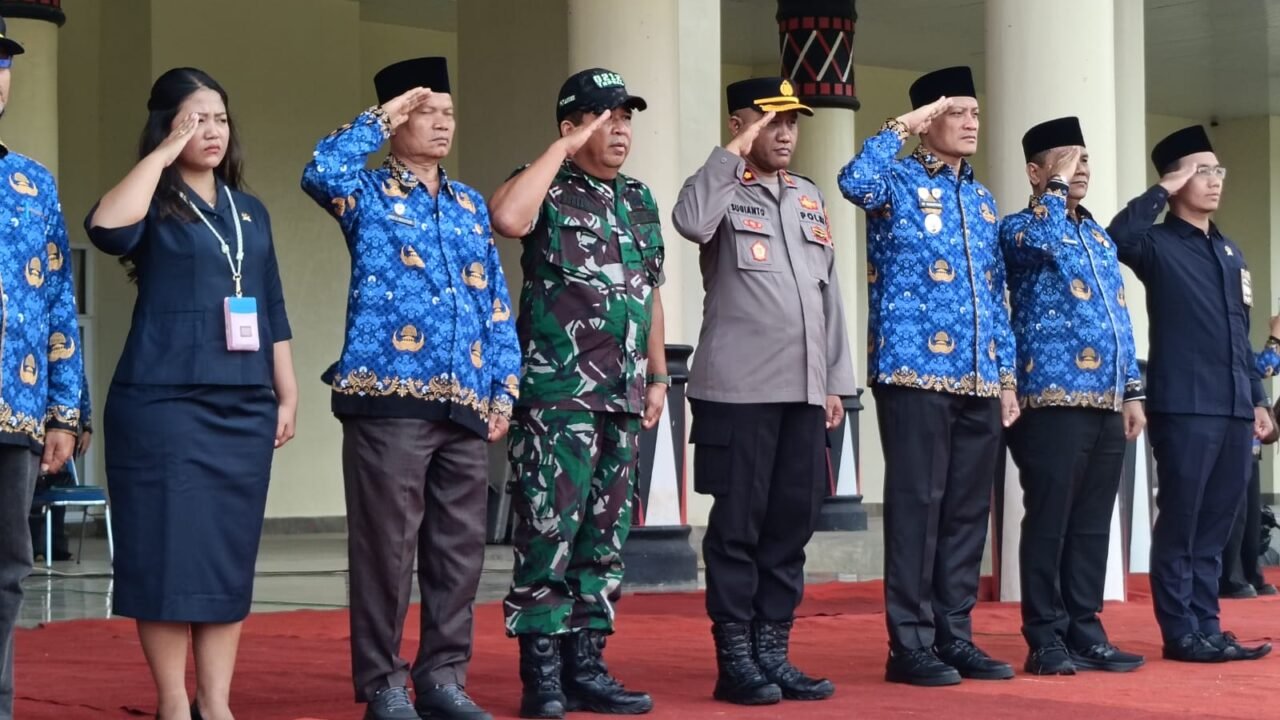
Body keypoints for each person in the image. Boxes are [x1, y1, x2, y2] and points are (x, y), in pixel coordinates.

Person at [301, 57, 518, 720]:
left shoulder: (469, 204)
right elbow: (320, 171)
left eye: (449, 113)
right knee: (386, 553)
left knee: (459, 554)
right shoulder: (365, 193)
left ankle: (444, 678)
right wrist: (380, 118)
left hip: (466, 402)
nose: (443, 124)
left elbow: (495, 303)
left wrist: (504, 386)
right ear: (397, 120)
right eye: (427, 112)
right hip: (388, 401)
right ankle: (384, 686)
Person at [86, 67, 296, 720]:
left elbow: (271, 304)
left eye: (220, 119)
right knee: (166, 556)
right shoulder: (153, 197)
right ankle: (174, 704)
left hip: (244, 403)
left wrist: (286, 390)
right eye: (195, 119)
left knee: (225, 559)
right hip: (163, 402)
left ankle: (217, 704)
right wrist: (163, 153)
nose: (212, 130)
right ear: (167, 125)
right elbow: (106, 228)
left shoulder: (250, 210)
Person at [670, 77, 855, 706]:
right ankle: (736, 660)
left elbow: (829, 296)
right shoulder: (719, 188)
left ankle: (773, 653)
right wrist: (731, 154)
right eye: (770, 121)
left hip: (804, 392)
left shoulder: (807, 195)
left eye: (791, 122)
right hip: (738, 392)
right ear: (740, 125)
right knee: (738, 529)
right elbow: (690, 223)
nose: (783, 133)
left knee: (789, 527)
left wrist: (835, 382)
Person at [488, 67, 664, 719]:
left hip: (624, 395)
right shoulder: (546, 184)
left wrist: (658, 375)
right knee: (547, 532)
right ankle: (542, 678)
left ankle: (585, 666)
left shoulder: (638, 199)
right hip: (558, 396)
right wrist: (560, 149)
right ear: (571, 126)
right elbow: (507, 218)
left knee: (603, 539)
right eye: (604, 118)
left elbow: (650, 292)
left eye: (626, 118)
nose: (620, 130)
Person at [837, 65, 1019, 687]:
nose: (971, 123)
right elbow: (853, 180)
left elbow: (995, 295)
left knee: (967, 512)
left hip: (978, 376)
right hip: (912, 369)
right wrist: (899, 126)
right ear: (927, 122)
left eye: (975, 113)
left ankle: (954, 635)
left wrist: (1007, 377)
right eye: (957, 112)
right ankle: (909, 644)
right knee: (918, 506)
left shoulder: (983, 199)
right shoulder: (895, 179)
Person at [1108, 124, 1273, 663]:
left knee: (1217, 524)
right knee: (1183, 519)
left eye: (1217, 170)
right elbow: (1117, 237)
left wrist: (1257, 399)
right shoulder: (1156, 244)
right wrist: (1161, 190)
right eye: (1202, 172)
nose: (1215, 180)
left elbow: (1239, 333)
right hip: (1185, 404)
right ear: (1176, 179)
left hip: (1232, 406)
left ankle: (1208, 625)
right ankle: (1181, 632)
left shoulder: (1230, 251)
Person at [999, 117, 1147, 676]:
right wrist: (1056, 190)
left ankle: (1085, 628)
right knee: (1050, 519)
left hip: (1106, 400)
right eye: (1064, 159)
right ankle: (1045, 637)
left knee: (1091, 523)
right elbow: (1039, 240)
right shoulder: (1020, 228)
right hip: (1050, 400)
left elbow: (1120, 317)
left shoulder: (1099, 235)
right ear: (1034, 172)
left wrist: (1131, 390)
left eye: (1083, 158)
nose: (1078, 168)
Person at [0, 17, 83, 720]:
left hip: (17, 408)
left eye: (1, 64)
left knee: (6, 569)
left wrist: (63, 411)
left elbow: (58, 299)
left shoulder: (32, 183)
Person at [1219, 327, 1280, 599]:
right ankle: (1230, 577)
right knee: (1235, 508)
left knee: (1251, 511)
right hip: (1231, 421)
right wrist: (1276, 336)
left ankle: (1250, 572)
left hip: (1250, 431)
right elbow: (1261, 366)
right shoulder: (1224, 325)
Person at [29, 372, 92, 562]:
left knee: (58, 487)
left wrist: (87, 427)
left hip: (61, 425)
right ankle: (33, 547)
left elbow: (80, 386)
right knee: (32, 493)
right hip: (33, 422)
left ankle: (57, 547)